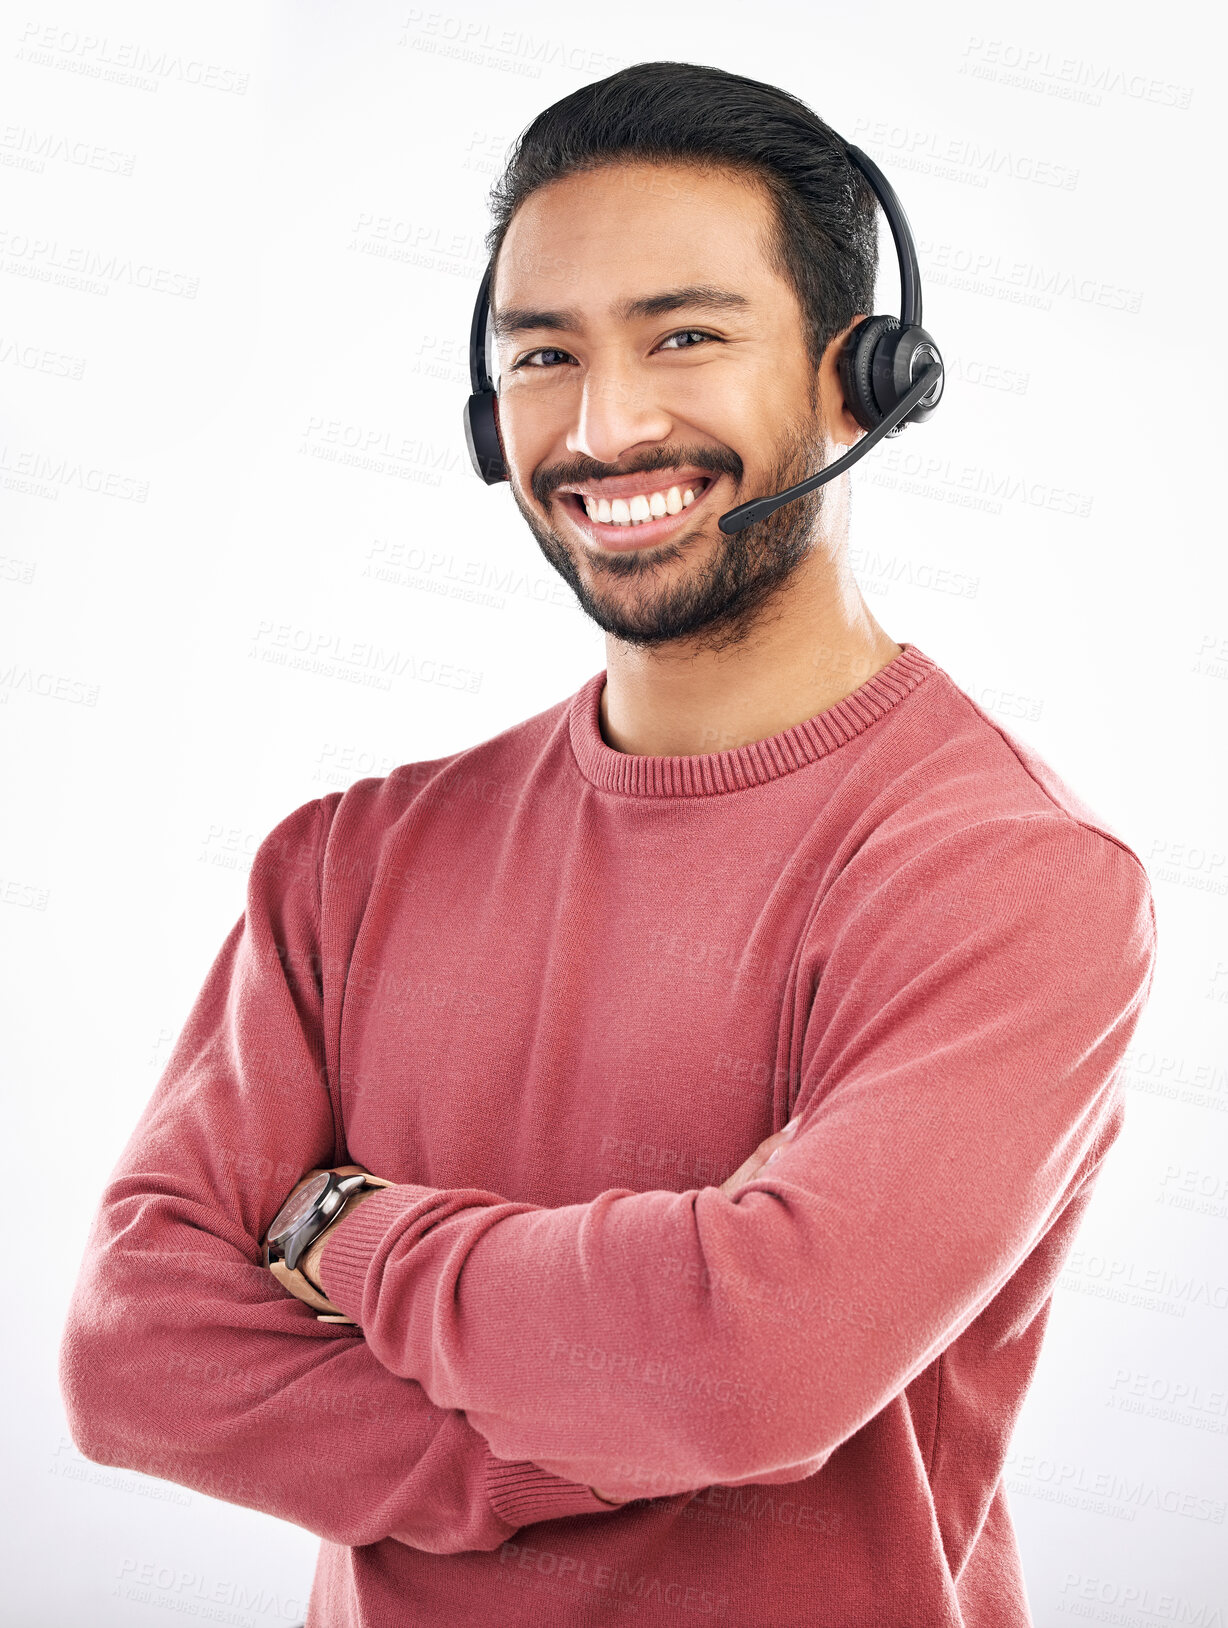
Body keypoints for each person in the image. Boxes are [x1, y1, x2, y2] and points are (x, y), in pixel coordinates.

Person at [58, 61, 1157, 1627]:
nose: (604, 425)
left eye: (686, 337)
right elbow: (132, 1357)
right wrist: (569, 1436)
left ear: (867, 377)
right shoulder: (345, 860)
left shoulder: (1008, 875)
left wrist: (339, 1231)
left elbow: (752, 1368)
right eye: (543, 358)